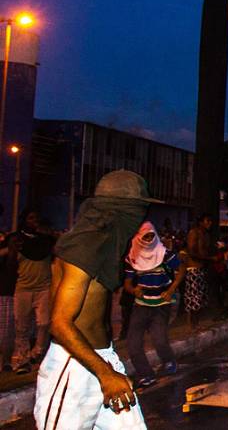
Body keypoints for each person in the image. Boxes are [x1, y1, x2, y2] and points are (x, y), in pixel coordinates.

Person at [35, 170, 157, 429]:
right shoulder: (83, 247)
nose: (141, 218)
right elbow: (59, 323)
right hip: (74, 365)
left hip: (102, 357)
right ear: (120, 211)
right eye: (138, 210)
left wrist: (107, 366)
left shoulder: (104, 243)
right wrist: (104, 374)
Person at [123, 221, 185, 387]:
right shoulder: (132, 257)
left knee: (159, 339)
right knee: (133, 342)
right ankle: (146, 374)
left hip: (161, 305)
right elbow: (128, 282)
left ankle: (169, 361)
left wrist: (171, 290)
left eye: (151, 235)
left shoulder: (165, 254)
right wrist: (133, 290)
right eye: (146, 236)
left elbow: (181, 270)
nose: (149, 239)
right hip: (141, 304)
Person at [12, 209, 57, 374]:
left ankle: (38, 352)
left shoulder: (46, 241)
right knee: (21, 326)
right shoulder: (18, 241)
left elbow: (58, 250)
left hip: (43, 287)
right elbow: (10, 262)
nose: (34, 221)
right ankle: (21, 359)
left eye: (36, 218)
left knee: (44, 323)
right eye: (30, 218)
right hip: (23, 287)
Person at [184, 214, 215, 329]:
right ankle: (191, 325)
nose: (209, 223)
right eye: (207, 221)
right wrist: (210, 259)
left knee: (200, 298)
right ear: (201, 222)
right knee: (193, 298)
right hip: (193, 268)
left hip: (202, 268)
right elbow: (191, 252)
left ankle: (196, 323)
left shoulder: (206, 235)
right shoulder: (194, 233)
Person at [0, 233, 18, 372]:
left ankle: (6, 361)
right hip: (5, 292)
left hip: (8, 294)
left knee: (6, 333)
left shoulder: (16, 256)